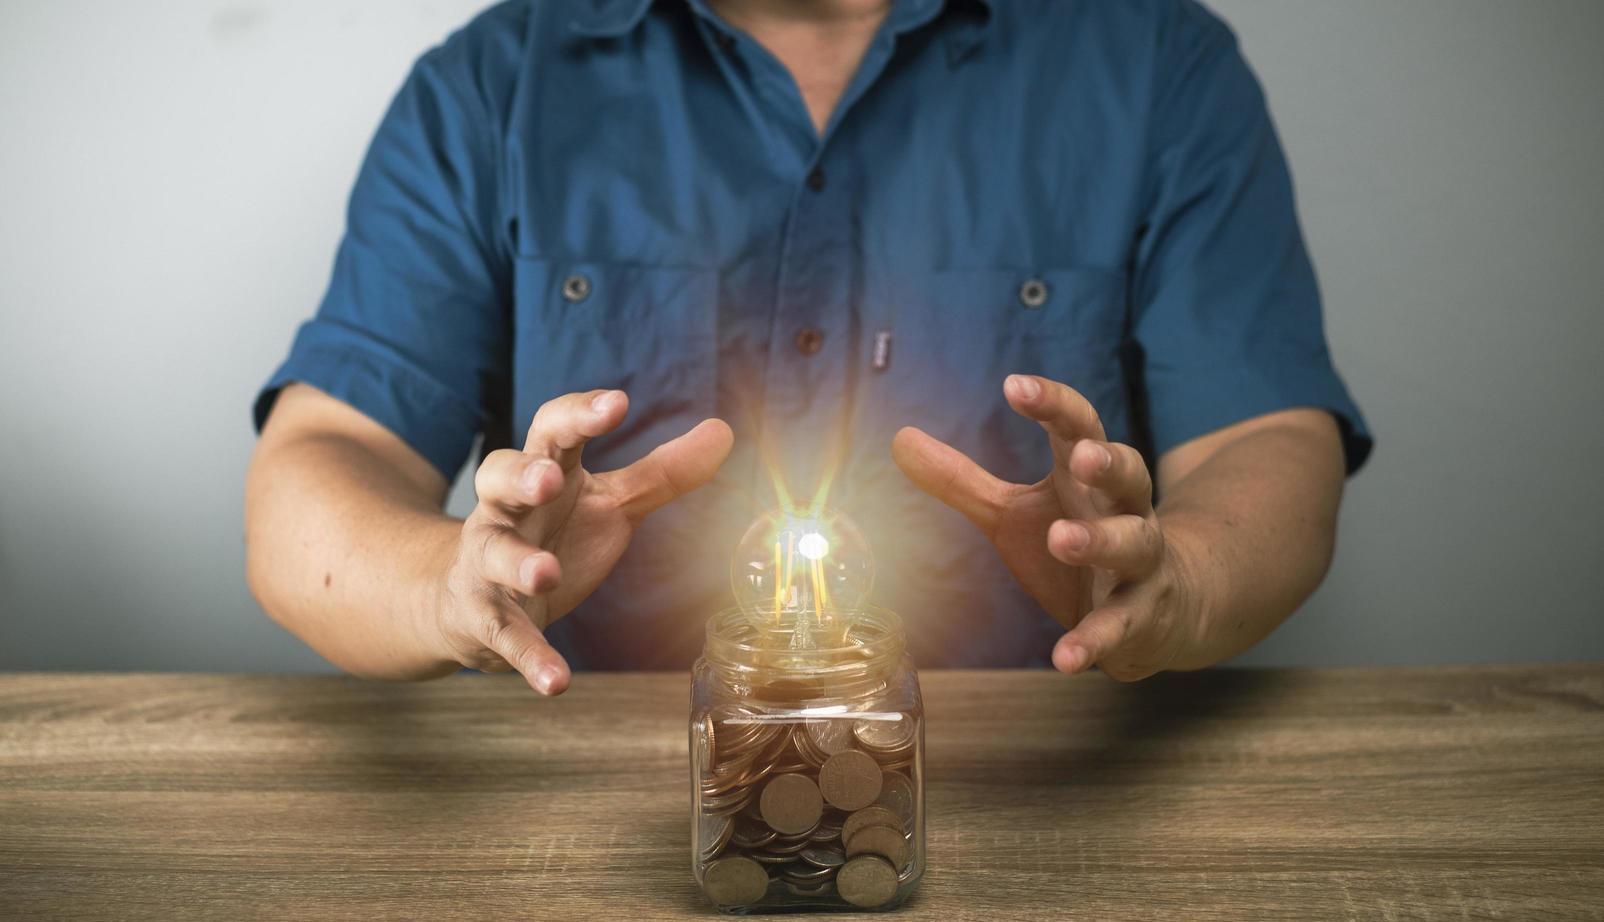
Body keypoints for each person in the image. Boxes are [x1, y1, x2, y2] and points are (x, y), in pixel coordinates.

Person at [245, 0, 1371, 695]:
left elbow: (1266, 433)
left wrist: (1180, 576)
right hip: (584, 810)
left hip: (1047, 803)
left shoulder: (1155, 65)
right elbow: (317, 467)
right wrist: (448, 582)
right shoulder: (488, 91)